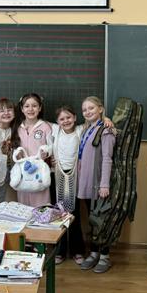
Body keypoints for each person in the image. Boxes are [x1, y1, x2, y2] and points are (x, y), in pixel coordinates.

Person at [77, 96, 116, 274]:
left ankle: (105, 256)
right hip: (85, 182)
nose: (87, 112)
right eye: (84, 110)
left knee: (101, 221)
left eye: (91, 108)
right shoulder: (87, 129)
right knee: (92, 221)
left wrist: (104, 184)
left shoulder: (106, 130)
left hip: (98, 183)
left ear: (100, 109)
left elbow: (107, 158)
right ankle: (93, 253)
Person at [50, 104, 85, 264]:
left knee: (74, 215)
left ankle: (77, 250)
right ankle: (60, 251)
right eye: (62, 119)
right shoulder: (56, 130)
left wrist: (106, 118)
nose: (66, 121)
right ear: (57, 121)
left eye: (69, 117)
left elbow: (95, 121)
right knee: (60, 214)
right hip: (58, 177)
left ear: (75, 117)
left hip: (75, 177)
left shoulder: (80, 130)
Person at [15, 93, 53, 207]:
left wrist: (46, 152)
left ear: (40, 108)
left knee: (40, 204)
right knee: (23, 205)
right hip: (23, 171)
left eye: (34, 106)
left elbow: (51, 146)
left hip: (39, 170)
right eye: (27, 106)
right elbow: (15, 146)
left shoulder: (46, 126)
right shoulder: (18, 127)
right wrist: (16, 154)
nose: (30, 109)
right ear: (22, 109)